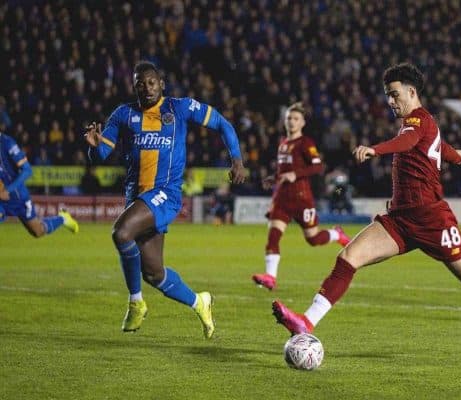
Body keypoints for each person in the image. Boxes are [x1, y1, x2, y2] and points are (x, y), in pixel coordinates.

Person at [271, 63, 461, 335]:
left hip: (432, 219)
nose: (390, 101)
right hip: (400, 219)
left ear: (412, 92)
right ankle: (306, 322)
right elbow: (437, 144)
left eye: (394, 94)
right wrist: (456, 156)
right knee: (348, 256)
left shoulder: (418, 120)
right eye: (387, 95)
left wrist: (376, 149)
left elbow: (409, 141)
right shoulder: (426, 125)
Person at [85, 61, 246, 338]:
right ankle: (200, 302)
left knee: (121, 232)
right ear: (134, 86)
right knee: (154, 273)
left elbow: (221, 123)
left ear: (162, 84)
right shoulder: (123, 115)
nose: (146, 88)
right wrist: (94, 147)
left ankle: (136, 302)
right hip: (137, 197)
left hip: (166, 194)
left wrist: (236, 159)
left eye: (151, 82)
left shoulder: (179, 108)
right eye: (140, 83)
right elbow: (100, 156)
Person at [252, 103, 351, 291]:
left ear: (303, 123)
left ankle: (336, 234)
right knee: (273, 237)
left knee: (313, 239)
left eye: (296, 119)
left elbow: (317, 166)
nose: (291, 122)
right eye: (289, 118)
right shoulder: (283, 144)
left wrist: (295, 175)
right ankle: (270, 277)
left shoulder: (306, 143)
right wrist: (274, 179)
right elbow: (284, 172)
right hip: (281, 199)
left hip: (301, 198)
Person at [0, 131, 79, 237]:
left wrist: (8, 190)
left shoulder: (7, 143)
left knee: (38, 231)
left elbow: (27, 170)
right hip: (1, 198)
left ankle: (63, 218)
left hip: (17, 196)